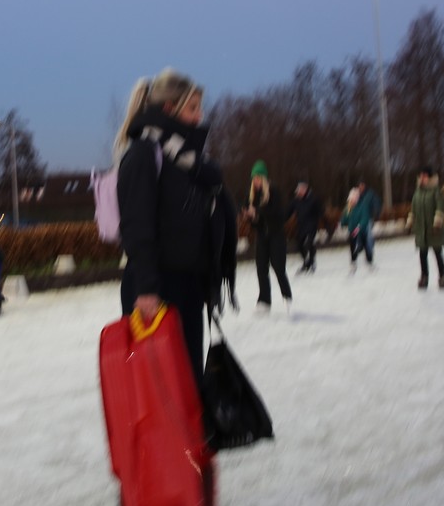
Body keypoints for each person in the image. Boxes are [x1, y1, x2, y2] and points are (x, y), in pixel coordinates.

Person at [115, 68, 238, 389]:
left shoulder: (187, 161)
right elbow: (136, 226)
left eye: (200, 107)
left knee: (187, 384)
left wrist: (206, 279)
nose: (199, 116)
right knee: (161, 389)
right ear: (170, 109)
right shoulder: (144, 155)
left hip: (187, 286)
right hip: (156, 289)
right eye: (193, 108)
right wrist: (147, 290)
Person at [245, 160, 292, 315]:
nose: (255, 181)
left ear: (264, 178)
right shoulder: (253, 196)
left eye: (258, 177)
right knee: (261, 268)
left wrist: (258, 211)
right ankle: (264, 301)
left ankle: (287, 296)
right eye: (254, 178)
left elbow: (277, 214)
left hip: (276, 234)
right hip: (262, 236)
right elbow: (256, 222)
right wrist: (251, 217)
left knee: (278, 266)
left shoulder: (274, 192)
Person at [408, 166, 444, 289]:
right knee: (422, 255)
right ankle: (424, 277)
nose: (422, 178)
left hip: (433, 228)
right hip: (421, 229)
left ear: (430, 177)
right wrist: (410, 222)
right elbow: (413, 209)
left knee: (437, 253)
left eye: (425, 176)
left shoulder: (436, 191)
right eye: (421, 176)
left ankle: (442, 276)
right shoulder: (417, 193)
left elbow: (440, 206)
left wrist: (437, 222)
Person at [287, 180, 323, 274]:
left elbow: (320, 212)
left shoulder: (313, 199)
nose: (298, 192)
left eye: (300, 190)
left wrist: (321, 223)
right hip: (301, 226)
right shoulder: (295, 201)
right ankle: (306, 262)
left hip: (312, 226)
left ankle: (312, 262)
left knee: (309, 243)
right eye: (298, 191)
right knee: (299, 245)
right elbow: (288, 212)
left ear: (305, 189)